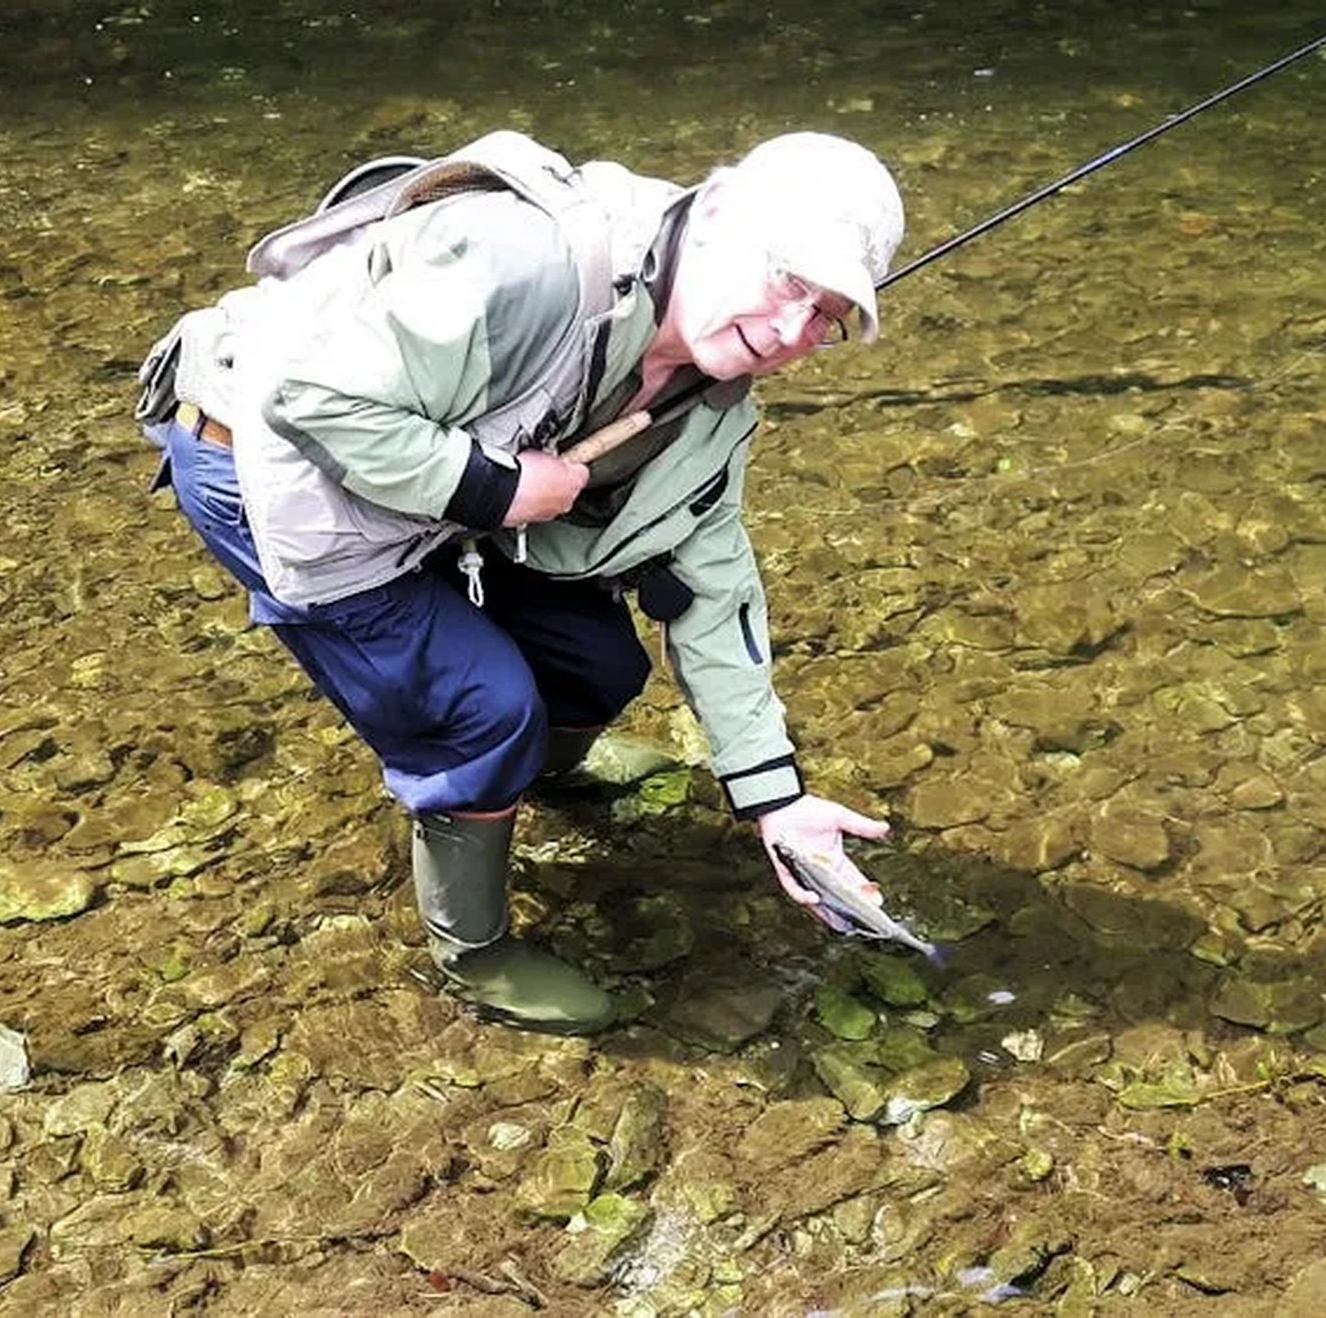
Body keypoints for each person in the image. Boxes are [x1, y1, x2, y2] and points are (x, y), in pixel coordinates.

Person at [137, 129, 905, 1035]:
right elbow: (306, 398)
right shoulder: (526, 266)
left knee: (598, 666)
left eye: (826, 317)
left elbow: (712, 578)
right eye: (787, 281)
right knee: (481, 710)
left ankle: (515, 785)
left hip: (429, 479)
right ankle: (472, 950)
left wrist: (771, 793)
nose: (790, 333)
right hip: (261, 461)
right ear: (717, 212)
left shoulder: (708, 392)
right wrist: (498, 489)